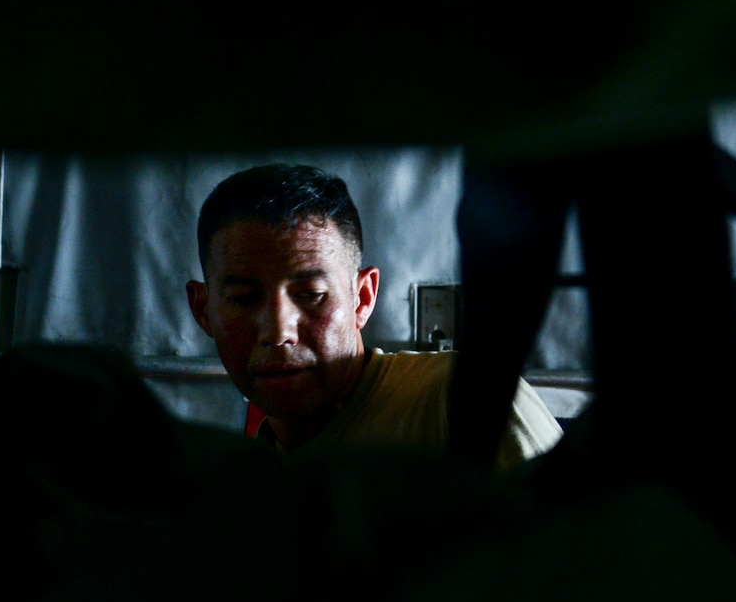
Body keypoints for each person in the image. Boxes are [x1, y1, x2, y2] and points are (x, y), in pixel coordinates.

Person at [186, 164, 561, 469]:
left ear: (362, 298)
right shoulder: (248, 476)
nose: (279, 332)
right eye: (243, 298)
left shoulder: (459, 399)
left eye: (311, 296)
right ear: (203, 310)